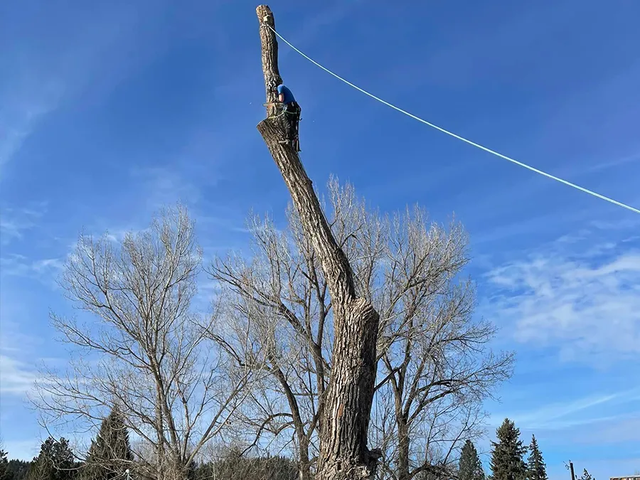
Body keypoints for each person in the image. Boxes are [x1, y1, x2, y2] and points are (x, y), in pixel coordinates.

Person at [276, 83, 301, 151]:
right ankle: (294, 141)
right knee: (293, 125)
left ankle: (288, 139)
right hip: (295, 107)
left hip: (290, 106)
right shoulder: (284, 87)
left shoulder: (280, 87)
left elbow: (281, 99)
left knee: (286, 121)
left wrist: (276, 102)